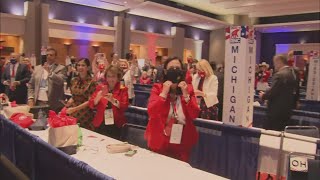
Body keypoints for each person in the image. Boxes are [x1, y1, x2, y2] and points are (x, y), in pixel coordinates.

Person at [145, 57, 200, 162]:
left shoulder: (188, 89)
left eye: (177, 68)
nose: (174, 70)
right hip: (160, 140)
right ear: (165, 71)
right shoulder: (158, 88)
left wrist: (186, 95)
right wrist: (163, 94)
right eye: (171, 68)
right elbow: (151, 112)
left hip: (182, 141)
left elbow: (194, 114)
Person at [89, 65, 129, 139]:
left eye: (113, 76)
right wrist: (97, 98)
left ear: (118, 77)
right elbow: (91, 104)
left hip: (116, 125)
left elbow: (125, 106)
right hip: (100, 122)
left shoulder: (123, 88)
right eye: (108, 76)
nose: (111, 79)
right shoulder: (101, 87)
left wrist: (113, 101)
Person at [259, 54, 298, 131]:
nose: (274, 65)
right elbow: (296, 91)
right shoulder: (293, 73)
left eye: (274, 63)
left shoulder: (280, 75)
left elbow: (273, 92)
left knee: (271, 135)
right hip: (287, 110)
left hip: (276, 112)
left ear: (279, 61)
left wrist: (263, 95)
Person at [28, 48, 67, 112]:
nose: (48, 57)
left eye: (51, 55)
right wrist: (30, 98)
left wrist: (50, 73)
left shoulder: (61, 68)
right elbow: (31, 85)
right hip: (38, 102)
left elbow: (61, 81)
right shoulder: (38, 68)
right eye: (47, 55)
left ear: (55, 57)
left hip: (53, 104)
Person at [66, 58, 97, 130]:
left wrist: (75, 109)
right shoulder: (74, 80)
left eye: (83, 65)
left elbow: (90, 101)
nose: (80, 67)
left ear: (88, 67)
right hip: (73, 114)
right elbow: (73, 96)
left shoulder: (92, 82)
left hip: (86, 115)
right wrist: (68, 103)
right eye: (78, 65)